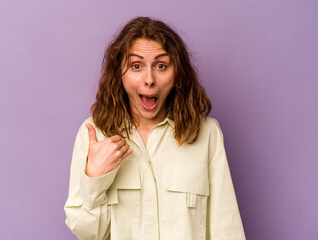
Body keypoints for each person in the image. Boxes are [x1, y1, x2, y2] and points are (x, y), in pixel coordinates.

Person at [64, 16, 246, 240]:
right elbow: (88, 233)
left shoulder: (207, 133)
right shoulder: (94, 133)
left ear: (177, 72)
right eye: (136, 66)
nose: (149, 79)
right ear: (118, 73)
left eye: (161, 65)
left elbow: (226, 228)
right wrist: (95, 177)